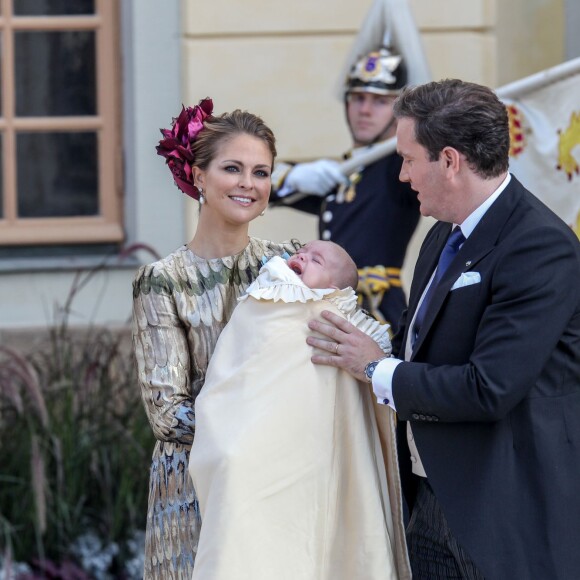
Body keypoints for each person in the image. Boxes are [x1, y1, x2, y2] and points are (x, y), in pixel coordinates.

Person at [305, 79, 580, 579]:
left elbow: (488, 388)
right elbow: (421, 351)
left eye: (408, 159)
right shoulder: (441, 235)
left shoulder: (540, 246)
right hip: (429, 502)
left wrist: (373, 366)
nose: (403, 174)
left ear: (450, 161)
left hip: (503, 516)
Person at [132, 98, 297, 579]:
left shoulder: (292, 263)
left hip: (279, 477)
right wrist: (267, 419)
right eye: (233, 168)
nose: (249, 183)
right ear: (197, 175)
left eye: (261, 172)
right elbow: (166, 413)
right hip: (195, 488)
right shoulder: (161, 281)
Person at [188, 240, 411, 580]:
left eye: (316, 259)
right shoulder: (265, 298)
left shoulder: (338, 317)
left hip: (308, 444)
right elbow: (236, 370)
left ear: (336, 290)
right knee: (246, 541)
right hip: (252, 442)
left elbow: (375, 354)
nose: (302, 256)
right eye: (303, 252)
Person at [270, 47, 421, 331]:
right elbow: (259, 187)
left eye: (379, 101)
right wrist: (295, 176)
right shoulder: (345, 171)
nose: (364, 110)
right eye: (358, 98)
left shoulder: (398, 167)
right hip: (328, 303)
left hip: (375, 311)